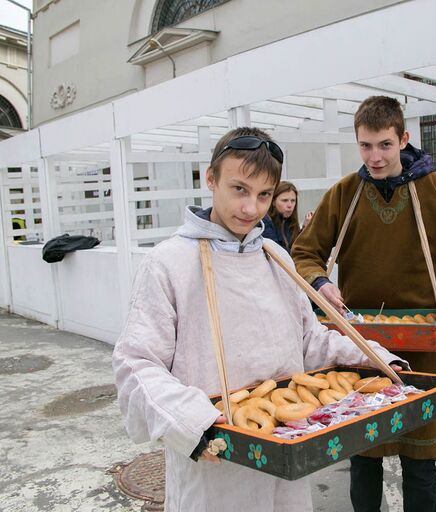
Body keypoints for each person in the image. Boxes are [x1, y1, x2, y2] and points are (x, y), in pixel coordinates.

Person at [112, 127, 406, 512]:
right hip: (214, 461)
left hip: (286, 457)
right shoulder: (168, 264)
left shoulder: (275, 257)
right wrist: (191, 423)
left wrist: (378, 358)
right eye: (239, 190)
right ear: (211, 179)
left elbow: (310, 342)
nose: (251, 209)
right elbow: (135, 364)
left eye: (263, 195)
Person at [291, 95, 436, 512]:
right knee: (364, 462)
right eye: (365, 145)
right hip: (361, 351)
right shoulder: (345, 193)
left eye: (384, 145)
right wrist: (320, 282)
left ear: (404, 139)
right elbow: (304, 252)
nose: (374, 157)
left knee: (421, 462)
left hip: (422, 350)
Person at [262, 181, 313, 250]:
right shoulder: (265, 222)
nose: (290, 205)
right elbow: (278, 253)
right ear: (273, 202)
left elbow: (296, 246)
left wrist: (305, 229)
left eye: (293, 201)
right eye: (285, 200)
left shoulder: (289, 221)